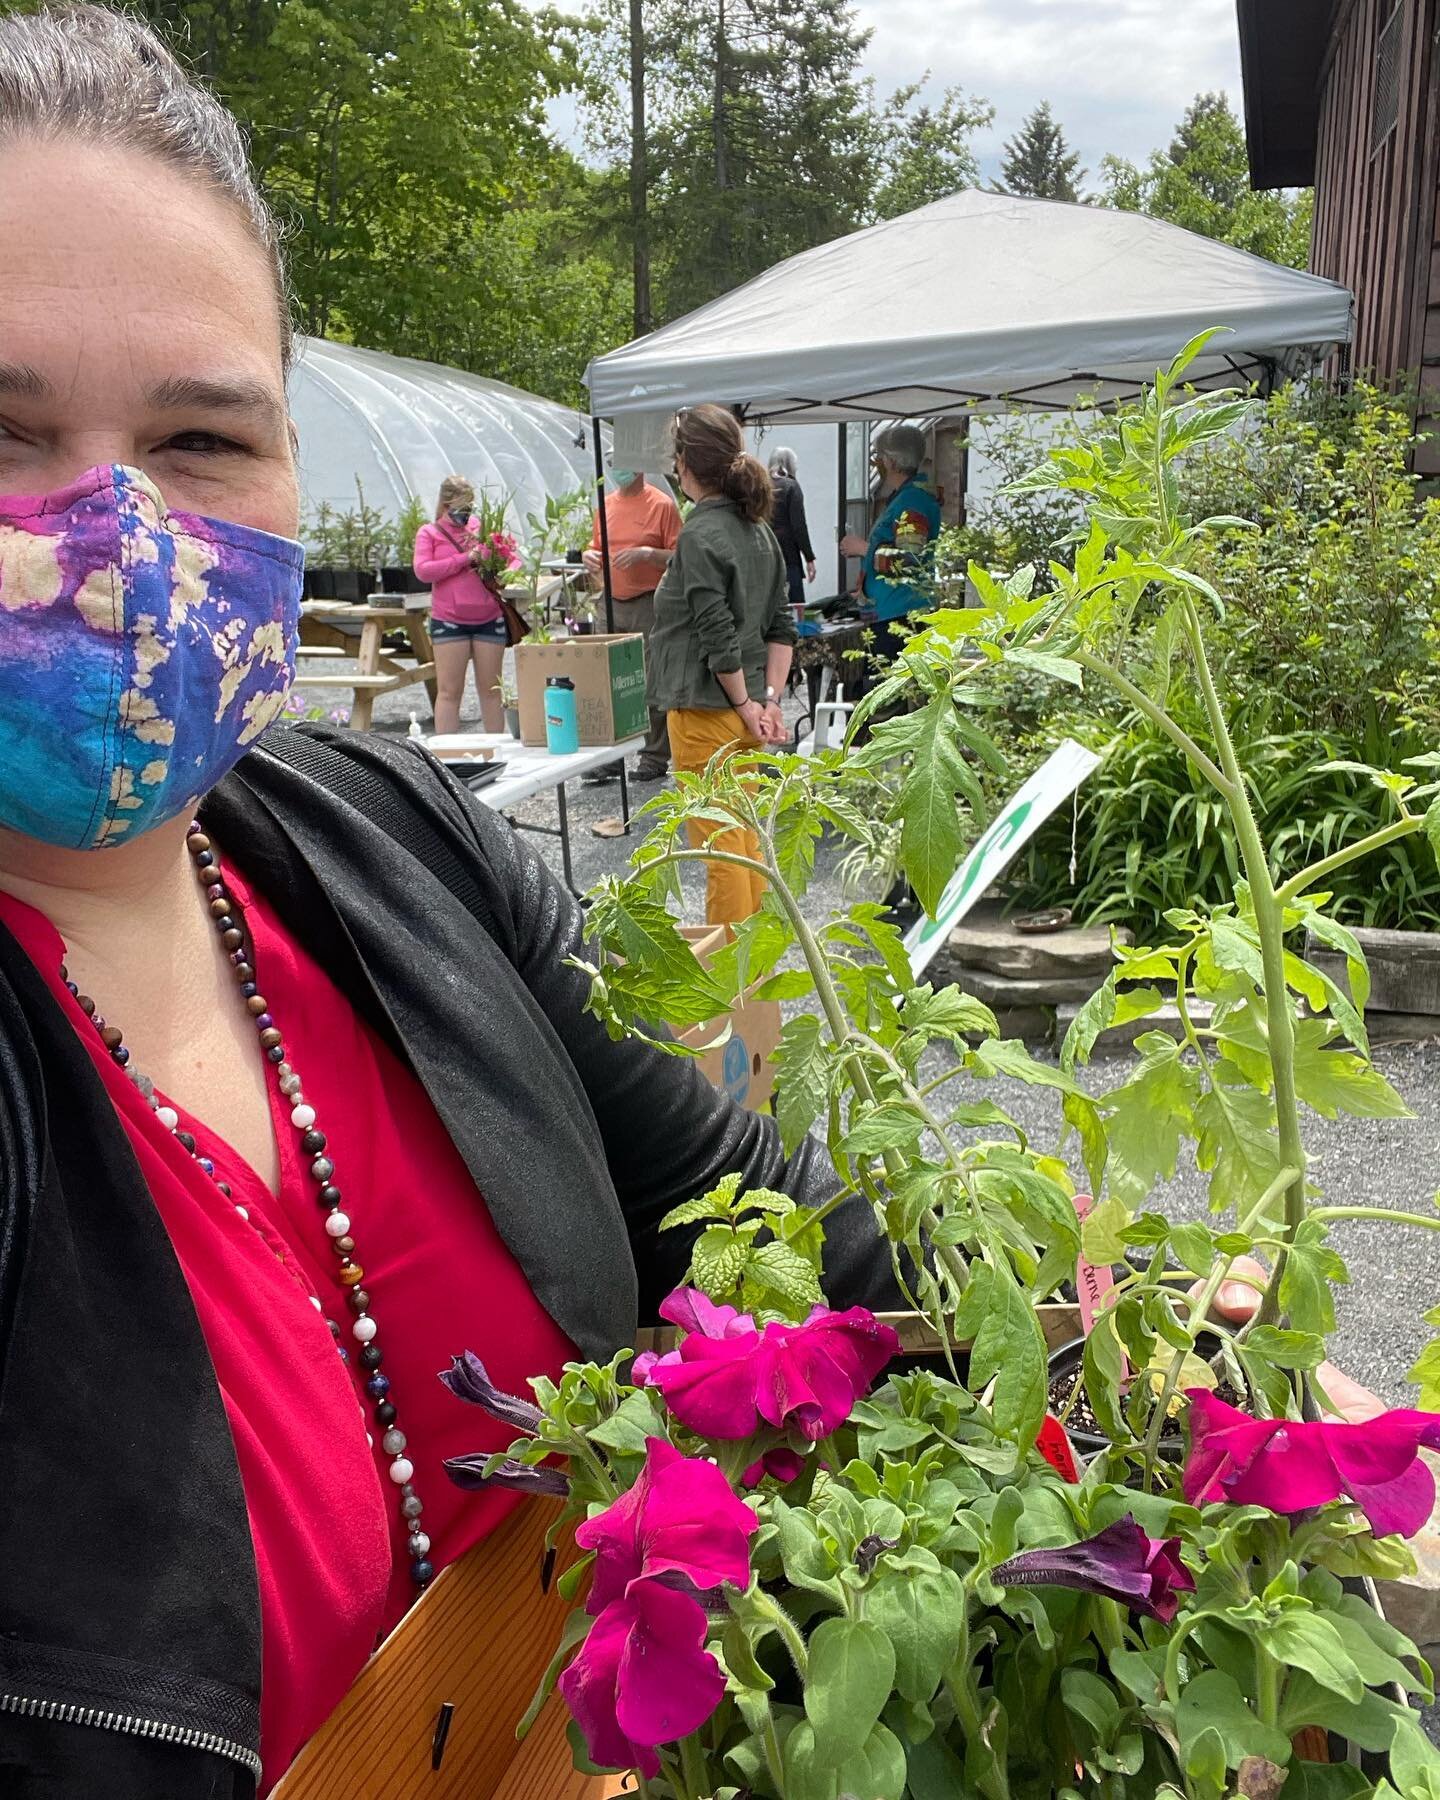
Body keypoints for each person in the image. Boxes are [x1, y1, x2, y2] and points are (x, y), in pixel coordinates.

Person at [0, 10, 890, 1796]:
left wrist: (1105, 1371)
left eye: (198, 440)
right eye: (5, 431)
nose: (109, 531)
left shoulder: (382, 841)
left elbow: (755, 1220)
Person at [648, 406, 793, 927]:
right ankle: (752, 979)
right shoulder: (759, 532)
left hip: (706, 715)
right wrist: (767, 703)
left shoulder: (699, 535)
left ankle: (731, 986)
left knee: (724, 851)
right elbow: (781, 627)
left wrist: (747, 703)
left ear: (685, 464)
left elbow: (718, 637)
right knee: (747, 843)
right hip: (743, 712)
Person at [581, 464, 681, 782]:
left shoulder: (662, 505)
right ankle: (611, 757)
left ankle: (654, 757)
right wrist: (589, 555)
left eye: (624, 464)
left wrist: (647, 554)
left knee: (651, 679)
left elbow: (680, 556)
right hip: (610, 601)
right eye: (614, 465)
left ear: (640, 467)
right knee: (608, 680)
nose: (618, 470)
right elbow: (595, 546)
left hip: (648, 601)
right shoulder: (606, 505)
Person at [839, 422, 943, 663]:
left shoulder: (913, 501)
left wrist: (863, 548)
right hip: (891, 610)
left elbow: (909, 560)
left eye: (879, 457)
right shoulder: (904, 498)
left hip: (900, 614)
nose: (877, 463)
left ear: (893, 462)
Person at [411, 476, 505, 734]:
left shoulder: (480, 529)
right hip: (450, 620)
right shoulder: (429, 533)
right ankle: (446, 758)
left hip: (489, 616)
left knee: (492, 691)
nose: (465, 515)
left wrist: (498, 559)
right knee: (450, 691)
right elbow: (423, 570)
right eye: (460, 508)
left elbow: (507, 561)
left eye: (469, 508)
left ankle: (499, 750)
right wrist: (465, 559)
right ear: (445, 504)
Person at [766, 446, 817, 606]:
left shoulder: (761, 486)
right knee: (794, 607)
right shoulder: (791, 486)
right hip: (788, 556)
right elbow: (798, 526)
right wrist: (809, 558)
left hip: (764, 554)